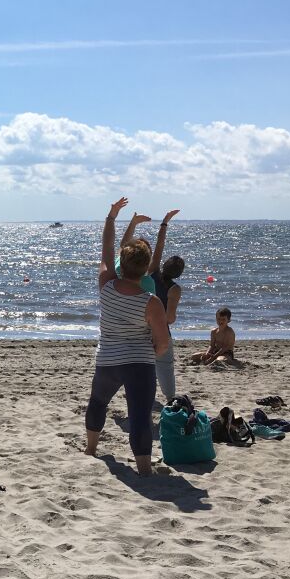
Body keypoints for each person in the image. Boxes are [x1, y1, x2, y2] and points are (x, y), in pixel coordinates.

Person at [84, 198, 170, 476]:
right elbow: (163, 341)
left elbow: (106, 251)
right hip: (140, 364)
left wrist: (111, 216)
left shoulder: (106, 285)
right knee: (140, 417)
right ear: (146, 269)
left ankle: (91, 449)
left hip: (108, 359)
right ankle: (144, 468)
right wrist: (148, 355)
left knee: (98, 403)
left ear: (124, 262)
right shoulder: (152, 301)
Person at [148, 209, 183, 400]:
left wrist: (164, 223)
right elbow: (169, 318)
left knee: (145, 366)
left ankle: (147, 398)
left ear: (163, 265)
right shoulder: (174, 289)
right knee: (165, 367)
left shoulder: (152, 271)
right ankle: (170, 401)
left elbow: (159, 246)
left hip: (142, 328)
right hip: (160, 331)